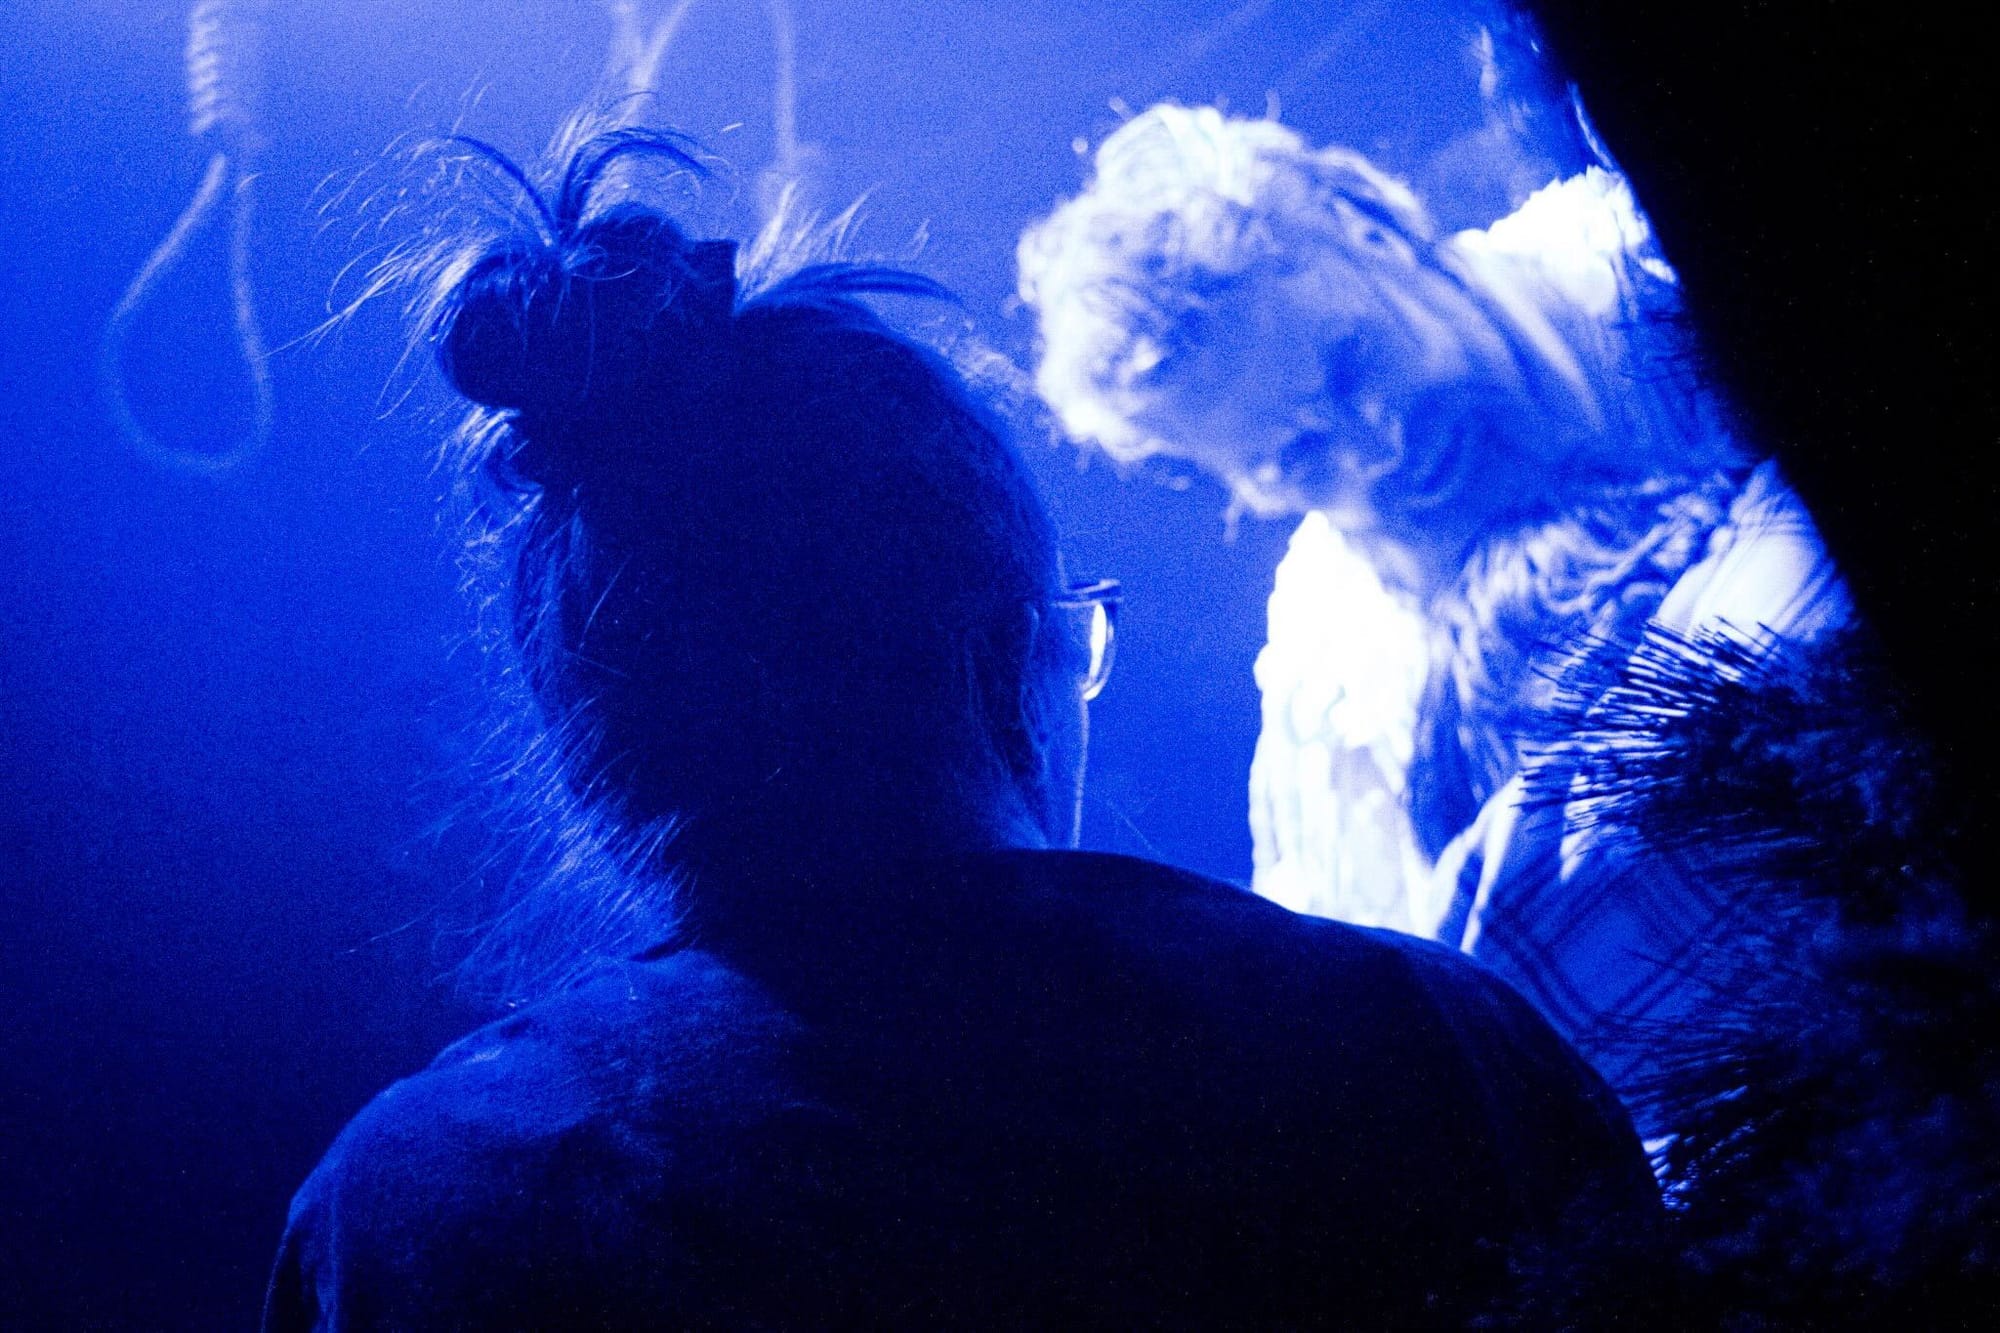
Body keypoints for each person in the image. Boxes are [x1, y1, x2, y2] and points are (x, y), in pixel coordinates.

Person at [261, 128, 1659, 1329]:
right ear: (1012, 663)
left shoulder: (405, 1220)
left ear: (594, 765)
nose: (1358, 451)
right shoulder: (1424, 1054)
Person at [1016, 104, 1855, 1114]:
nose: (1375, 451)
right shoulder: (1334, 672)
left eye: (1353, 365)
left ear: (1367, 230)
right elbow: (1383, 1045)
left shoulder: (1654, 272)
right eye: (1297, 458)